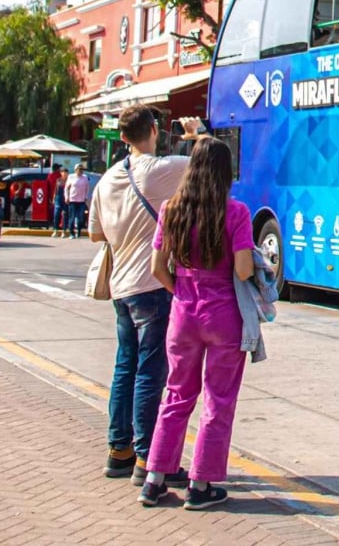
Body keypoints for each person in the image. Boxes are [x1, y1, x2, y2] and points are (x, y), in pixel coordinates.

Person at [139, 136, 254, 511]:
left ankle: (155, 478)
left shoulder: (172, 209)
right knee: (218, 401)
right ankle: (200, 485)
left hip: (184, 311)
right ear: (225, 172)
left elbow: (158, 268)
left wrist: (183, 290)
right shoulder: (235, 213)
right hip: (224, 315)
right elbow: (242, 268)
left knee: (175, 393)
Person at [88, 106, 191, 487]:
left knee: (124, 366)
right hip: (151, 284)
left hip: (120, 287)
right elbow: (208, 160)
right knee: (151, 370)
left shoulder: (106, 180)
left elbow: (96, 234)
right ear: (152, 129)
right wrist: (196, 132)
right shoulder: (158, 169)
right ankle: (149, 456)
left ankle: (119, 450)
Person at [64, 164, 91, 239]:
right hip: (73, 200)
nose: (80, 171)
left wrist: (86, 197)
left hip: (81, 201)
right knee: (72, 218)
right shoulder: (71, 177)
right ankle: (72, 233)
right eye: (79, 169)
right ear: (76, 170)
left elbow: (87, 188)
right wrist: (66, 197)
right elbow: (66, 188)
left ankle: (78, 232)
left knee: (81, 218)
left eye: (81, 169)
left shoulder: (85, 178)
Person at [49, 165, 67, 238]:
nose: (64, 173)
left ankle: (64, 231)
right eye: (62, 172)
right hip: (58, 199)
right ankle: (55, 230)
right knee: (56, 215)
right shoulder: (58, 180)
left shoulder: (69, 180)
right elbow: (56, 190)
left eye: (65, 172)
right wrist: (53, 198)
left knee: (65, 215)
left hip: (65, 199)